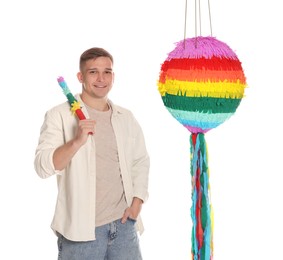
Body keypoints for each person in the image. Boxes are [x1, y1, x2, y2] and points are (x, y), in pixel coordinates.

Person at [34, 47, 150, 260]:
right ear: (80, 76)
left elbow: (140, 161)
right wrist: (76, 141)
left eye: (107, 72)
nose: (101, 78)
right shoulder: (58, 115)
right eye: (93, 72)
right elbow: (42, 166)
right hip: (81, 234)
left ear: (113, 76)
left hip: (124, 227)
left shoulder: (126, 117)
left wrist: (137, 203)